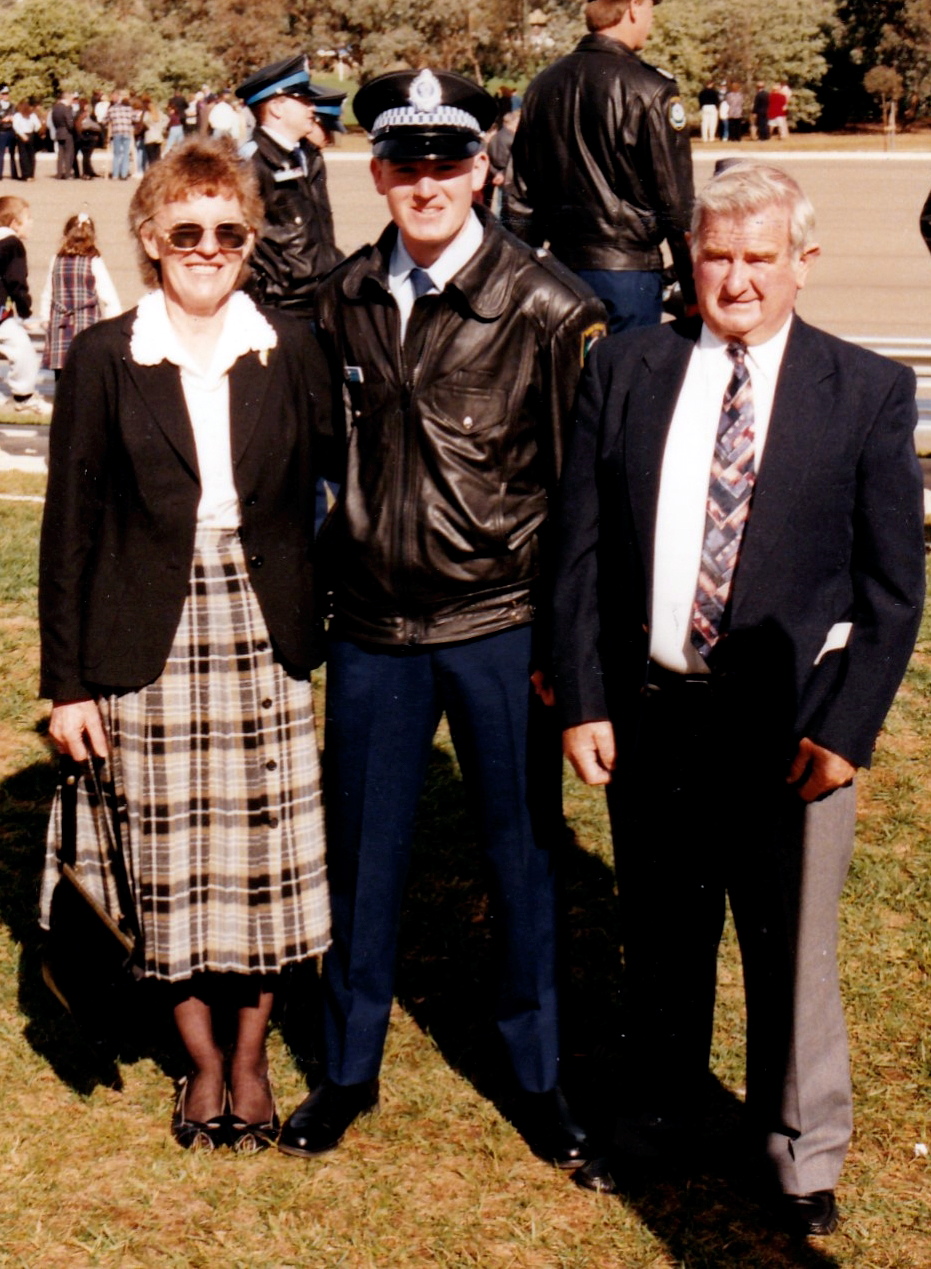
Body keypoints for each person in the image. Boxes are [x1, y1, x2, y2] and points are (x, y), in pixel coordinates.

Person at [550, 162, 926, 1235]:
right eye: (717, 255)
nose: (737, 279)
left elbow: (895, 590)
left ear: (803, 264)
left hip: (790, 725)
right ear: (689, 261)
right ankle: (659, 1119)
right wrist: (583, 696)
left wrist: (845, 730)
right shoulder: (625, 369)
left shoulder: (862, 391)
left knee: (790, 948)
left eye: (761, 257)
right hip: (656, 706)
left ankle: (799, 1149)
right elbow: (579, 553)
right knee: (662, 933)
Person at [276, 68, 607, 1166]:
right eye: (404, 163)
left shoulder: (552, 307)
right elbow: (325, 454)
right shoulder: (345, 296)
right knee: (364, 858)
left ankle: (537, 1076)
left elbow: (576, 498)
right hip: (373, 629)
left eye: (447, 161)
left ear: (483, 170)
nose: (426, 182)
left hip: (497, 624)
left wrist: (567, 653)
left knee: (520, 857)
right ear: (375, 173)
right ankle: (344, 1071)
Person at [37, 138, 332, 1153]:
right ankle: (199, 1064)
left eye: (229, 232)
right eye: (187, 231)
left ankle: (251, 1059)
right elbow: (67, 531)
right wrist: (67, 683)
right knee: (163, 860)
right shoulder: (106, 356)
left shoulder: (289, 349)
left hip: (263, 628)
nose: (208, 249)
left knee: (259, 860)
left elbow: (328, 492)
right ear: (151, 239)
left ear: (249, 242)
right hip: (145, 633)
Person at [511, 0, 695, 333]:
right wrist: (694, 288)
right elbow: (676, 204)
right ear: (635, 7)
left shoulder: (542, 85)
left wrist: (517, 280)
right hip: (629, 279)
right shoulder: (651, 88)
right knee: (626, 381)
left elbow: (520, 199)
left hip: (558, 275)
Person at [235, 54, 346, 317]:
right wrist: (262, 294)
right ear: (277, 108)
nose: (312, 108)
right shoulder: (252, 161)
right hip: (281, 308)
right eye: (304, 100)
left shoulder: (303, 156)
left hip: (318, 299)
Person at [39, 212, 121, 376]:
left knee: (61, 374)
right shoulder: (94, 260)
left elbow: (48, 292)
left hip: (59, 324)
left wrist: (44, 318)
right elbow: (109, 297)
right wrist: (112, 325)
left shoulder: (56, 259)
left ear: (65, 235)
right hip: (87, 324)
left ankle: (62, 401)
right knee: (86, 370)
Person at [0, 195, 52, 417]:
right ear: (14, 223)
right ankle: (24, 396)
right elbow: (16, 281)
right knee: (24, 351)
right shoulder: (13, 245)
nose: (32, 222)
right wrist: (25, 311)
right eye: (28, 218)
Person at [107, 91, 134, 180]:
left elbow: (104, 120)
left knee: (116, 154)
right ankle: (124, 174)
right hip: (126, 132)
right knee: (126, 153)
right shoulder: (129, 109)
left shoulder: (111, 109)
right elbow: (136, 118)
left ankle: (115, 174)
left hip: (116, 132)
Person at [12, 100, 40, 181]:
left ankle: (28, 175)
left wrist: (22, 135)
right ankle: (29, 175)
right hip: (27, 135)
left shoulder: (19, 115)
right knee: (28, 156)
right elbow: (37, 126)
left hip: (24, 135)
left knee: (27, 156)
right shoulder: (21, 115)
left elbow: (16, 126)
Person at [51, 90, 76, 180]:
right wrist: (72, 129)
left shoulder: (55, 108)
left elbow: (53, 120)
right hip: (67, 133)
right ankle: (67, 174)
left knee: (60, 154)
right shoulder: (66, 108)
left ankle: (59, 173)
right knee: (68, 154)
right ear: (68, 98)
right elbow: (69, 122)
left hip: (58, 131)